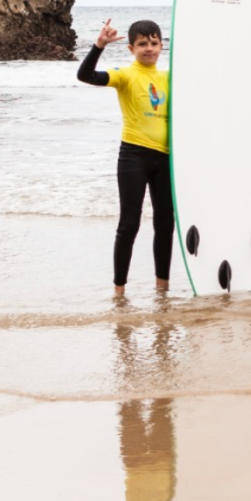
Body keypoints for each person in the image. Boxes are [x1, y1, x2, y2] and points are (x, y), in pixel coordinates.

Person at [77, 18, 171, 295]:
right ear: (131, 48)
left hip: (166, 159)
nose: (149, 49)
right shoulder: (125, 75)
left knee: (165, 224)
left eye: (154, 43)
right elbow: (85, 76)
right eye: (142, 44)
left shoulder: (170, 77)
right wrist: (99, 46)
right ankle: (119, 291)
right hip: (134, 157)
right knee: (129, 224)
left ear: (162, 45)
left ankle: (162, 289)